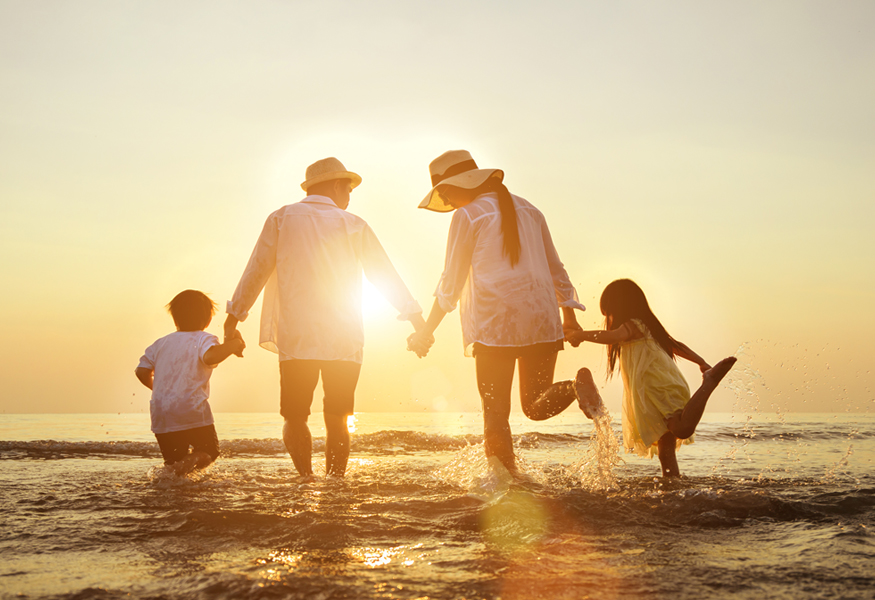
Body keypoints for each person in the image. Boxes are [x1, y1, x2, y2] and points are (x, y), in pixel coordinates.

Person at [224, 157, 428, 478]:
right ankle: (335, 484)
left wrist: (233, 318)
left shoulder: (281, 218)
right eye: (348, 188)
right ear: (335, 185)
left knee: (294, 417)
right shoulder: (353, 224)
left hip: (297, 338)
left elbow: (256, 269)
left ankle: (305, 479)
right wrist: (417, 322)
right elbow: (384, 274)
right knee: (338, 417)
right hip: (344, 340)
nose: (350, 196)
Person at [406, 150, 597, 474]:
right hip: (540, 318)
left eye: (446, 191)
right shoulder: (531, 209)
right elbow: (556, 269)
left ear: (460, 184)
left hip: (496, 324)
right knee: (535, 404)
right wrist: (568, 317)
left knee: (495, 413)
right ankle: (574, 387)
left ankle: (505, 486)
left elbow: (450, 284)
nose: (448, 200)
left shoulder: (467, 216)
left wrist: (427, 332)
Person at [566, 278, 737, 477]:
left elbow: (612, 337)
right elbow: (675, 345)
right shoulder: (645, 327)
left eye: (609, 313)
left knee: (681, 428)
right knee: (665, 451)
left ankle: (709, 383)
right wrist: (700, 362)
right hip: (650, 391)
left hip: (657, 386)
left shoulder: (633, 325)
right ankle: (671, 484)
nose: (609, 320)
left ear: (620, 307)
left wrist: (582, 335)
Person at [135, 290, 245, 476]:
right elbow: (210, 357)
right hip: (191, 409)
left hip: (162, 411)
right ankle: (179, 470)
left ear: (175, 319)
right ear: (208, 320)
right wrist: (233, 346)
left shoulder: (160, 344)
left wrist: (159, 388)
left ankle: (173, 478)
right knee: (210, 451)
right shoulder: (203, 338)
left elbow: (141, 371)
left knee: (173, 460)